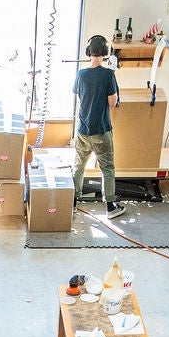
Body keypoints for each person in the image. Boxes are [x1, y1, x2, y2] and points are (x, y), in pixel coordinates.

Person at [72, 34, 126, 218]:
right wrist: (111, 74)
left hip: (83, 131)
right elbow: (112, 103)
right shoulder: (108, 75)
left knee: (79, 166)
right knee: (107, 168)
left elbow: (79, 93)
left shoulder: (80, 74)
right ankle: (111, 207)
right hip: (102, 131)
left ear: (88, 52)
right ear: (105, 53)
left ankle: (72, 201)